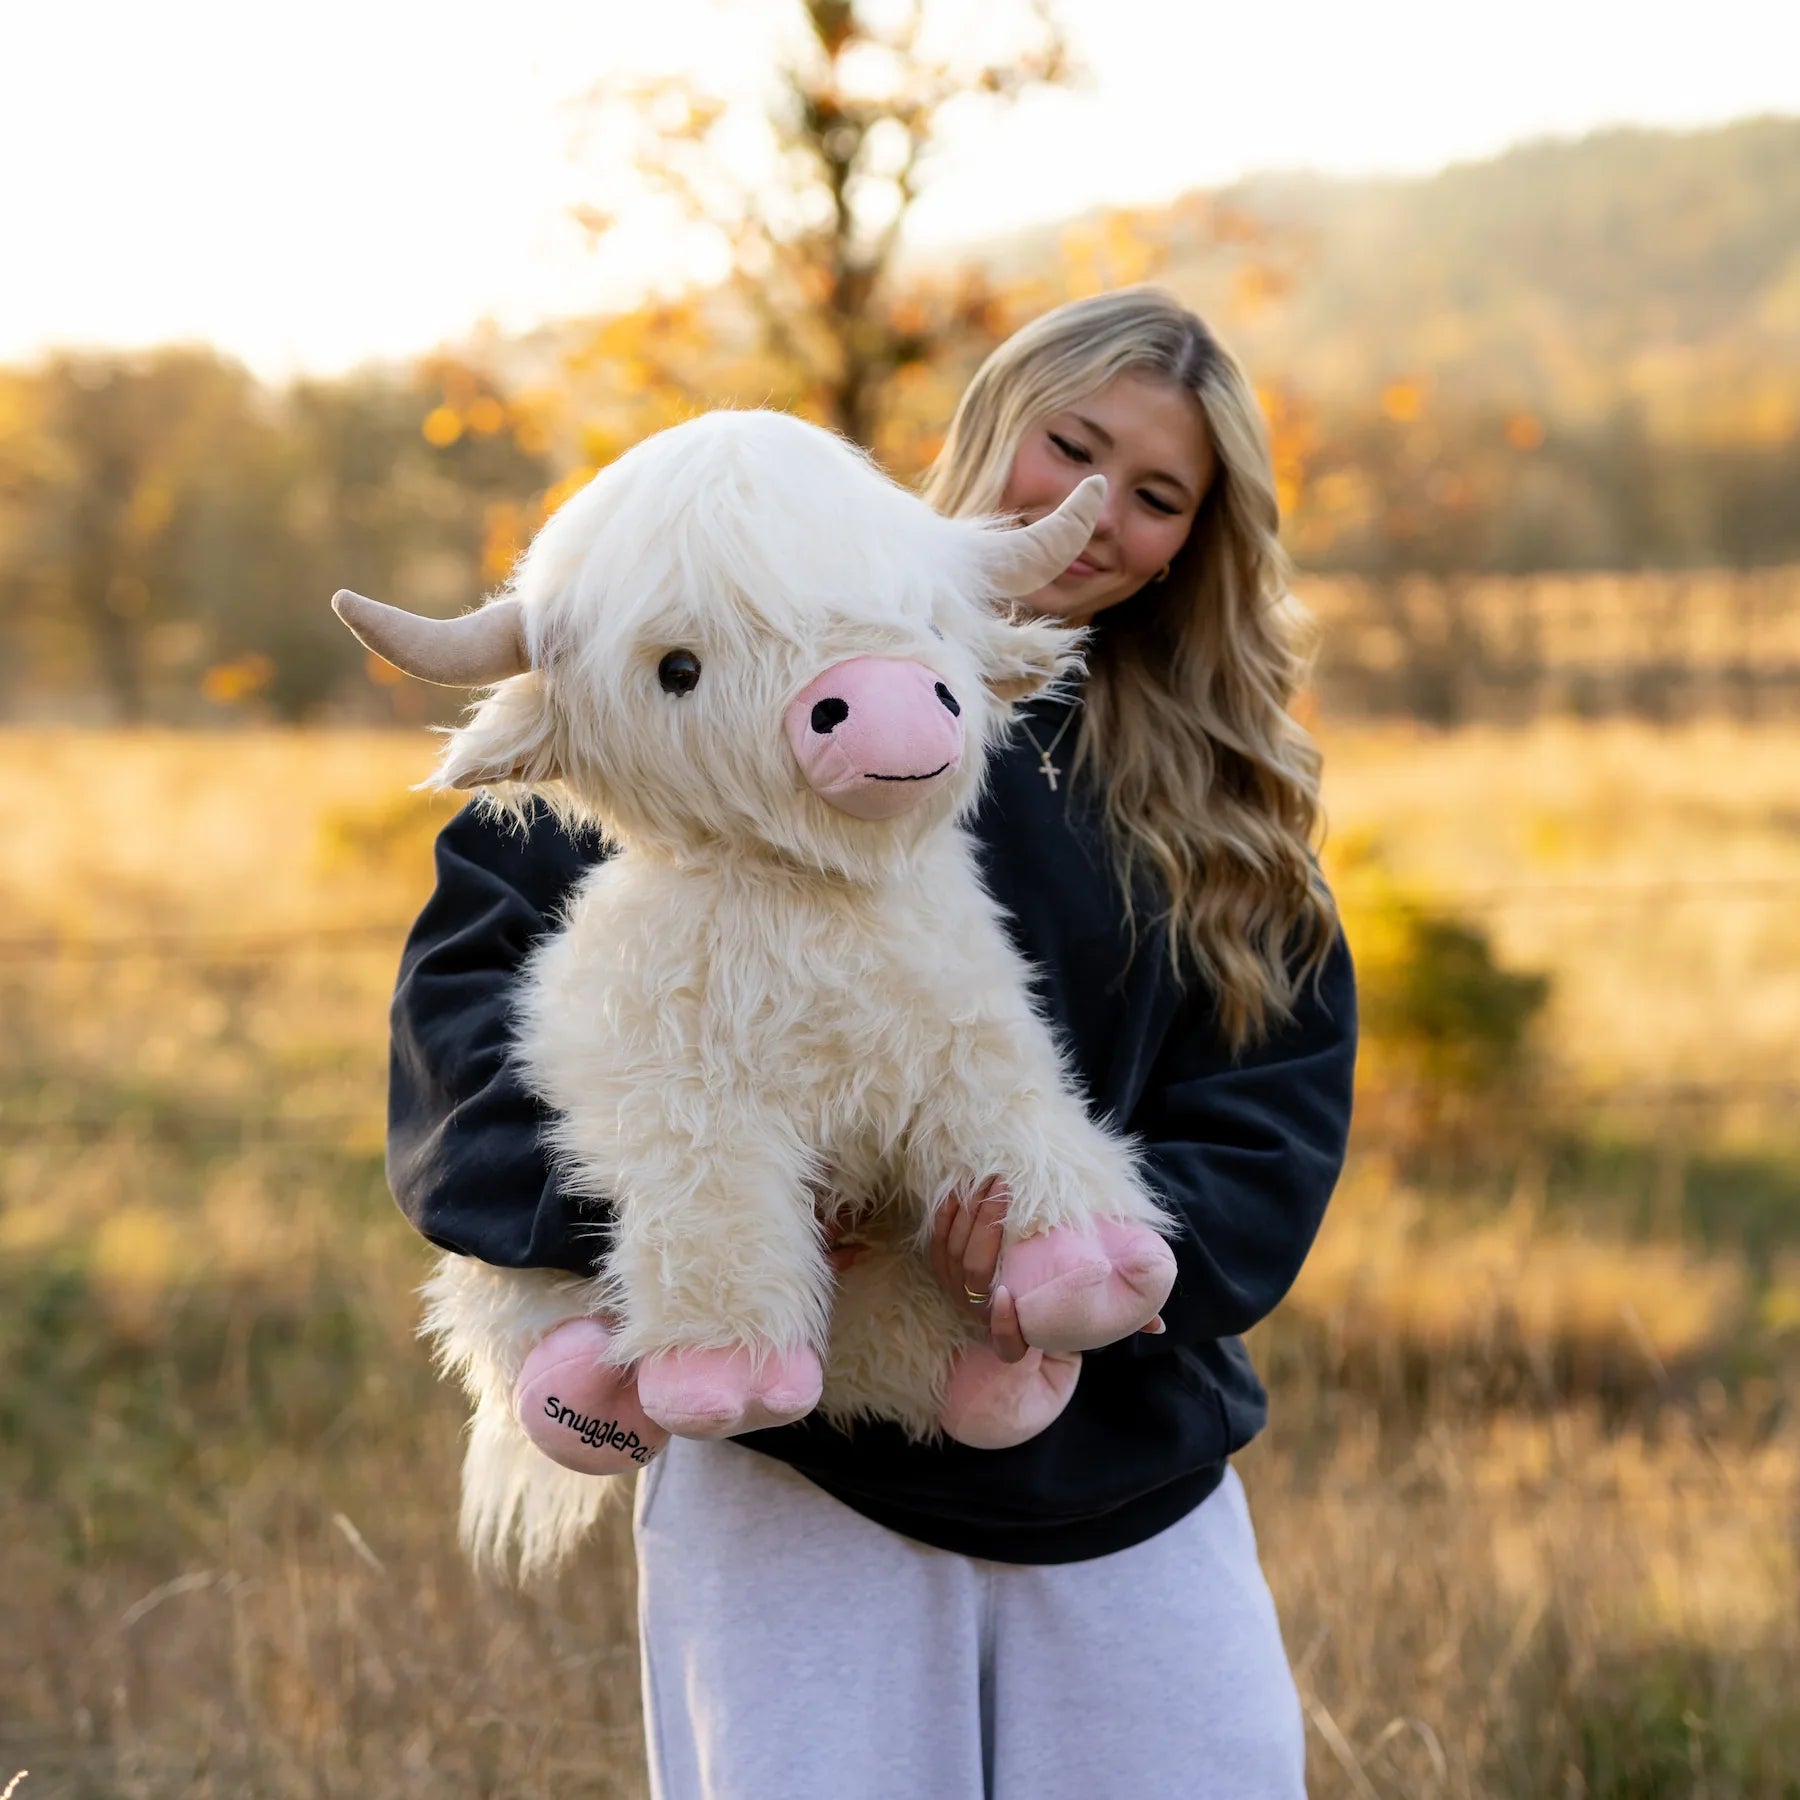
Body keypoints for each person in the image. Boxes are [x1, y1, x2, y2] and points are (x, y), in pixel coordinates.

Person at [386, 285, 1357, 1799]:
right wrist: (714, 1230)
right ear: (987, 429)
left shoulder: (1221, 802)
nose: (1096, 510)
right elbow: (468, 1024)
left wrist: (1083, 1271)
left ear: (1197, 541)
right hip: (794, 1460)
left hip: (1125, 1454)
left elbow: (1272, 1111)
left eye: (1159, 495)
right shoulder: (708, 655)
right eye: (1070, 446)